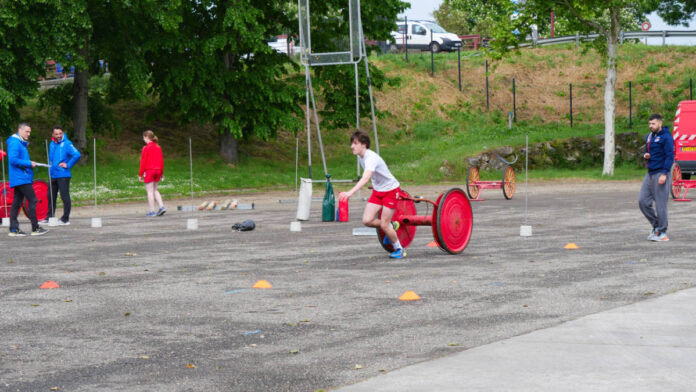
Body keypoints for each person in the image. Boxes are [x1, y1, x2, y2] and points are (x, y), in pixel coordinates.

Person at [338, 130, 405, 259]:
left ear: (363, 145)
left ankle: (399, 249)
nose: (352, 146)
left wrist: (350, 192)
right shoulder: (360, 157)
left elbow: (365, 178)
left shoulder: (371, 158)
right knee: (367, 220)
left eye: (355, 143)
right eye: (351, 143)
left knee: (384, 224)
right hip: (378, 191)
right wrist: (376, 184)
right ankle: (392, 226)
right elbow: (374, 174)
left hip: (391, 191)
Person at [6, 123, 48, 236]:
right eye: (27, 131)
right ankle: (35, 228)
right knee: (33, 200)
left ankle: (14, 230)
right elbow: (13, 160)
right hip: (21, 178)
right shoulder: (15, 143)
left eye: (30, 132)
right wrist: (29, 163)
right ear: (20, 130)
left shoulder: (19, 142)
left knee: (17, 203)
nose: (29, 134)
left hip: (20, 178)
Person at [639, 113, 674, 242]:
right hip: (650, 173)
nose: (651, 126)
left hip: (661, 173)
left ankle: (663, 232)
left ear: (660, 123)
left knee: (660, 205)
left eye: (653, 124)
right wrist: (646, 155)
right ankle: (656, 226)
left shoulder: (666, 137)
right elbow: (647, 151)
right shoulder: (650, 136)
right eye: (649, 124)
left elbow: (670, 156)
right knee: (642, 201)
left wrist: (664, 173)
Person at [45, 126, 81, 225]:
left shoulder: (67, 143)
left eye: (60, 133)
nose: (59, 136)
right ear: (52, 135)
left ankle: (65, 219)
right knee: (50, 196)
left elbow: (77, 154)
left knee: (64, 196)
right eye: (56, 134)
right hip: (53, 174)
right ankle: (49, 217)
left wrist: (68, 164)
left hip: (63, 174)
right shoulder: (52, 144)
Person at [139, 130, 166, 217]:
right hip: (158, 170)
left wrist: (140, 174)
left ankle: (152, 211)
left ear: (147, 137)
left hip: (149, 171)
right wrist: (161, 173)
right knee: (155, 190)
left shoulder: (146, 148)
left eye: (144, 138)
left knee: (150, 191)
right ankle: (161, 207)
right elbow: (162, 161)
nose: (143, 140)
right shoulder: (158, 147)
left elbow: (143, 162)